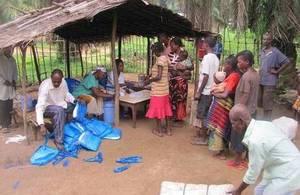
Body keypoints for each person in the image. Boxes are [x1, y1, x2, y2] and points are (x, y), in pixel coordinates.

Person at [227, 104, 300, 195]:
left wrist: (238, 191)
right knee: (259, 191)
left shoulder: (256, 140)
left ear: (241, 122)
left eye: (233, 123)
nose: (233, 127)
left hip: (290, 171)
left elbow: (253, 171)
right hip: (279, 166)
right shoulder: (263, 124)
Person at [229, 50, 259, 169]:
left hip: (244, 112)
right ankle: (246, 159)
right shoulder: (255, 74)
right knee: (248, 136)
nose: (237, 63)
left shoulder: (246, 77)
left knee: (239, 135)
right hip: (252, 110)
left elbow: (245, 95)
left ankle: (237, 161)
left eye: (240, 61)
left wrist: (238, 112)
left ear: (247, 62)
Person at [206, 55, 241, 159]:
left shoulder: (234, 76)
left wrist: (214, 94)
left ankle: (221, 153)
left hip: (223, 106)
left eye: (226, 64)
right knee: (219, 128)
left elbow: (225, 94)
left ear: (230, 65)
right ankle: (221, 150)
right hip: (222, 105)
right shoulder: (232, 75)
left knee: (219, 128)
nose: (224, 66)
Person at [36, 69, 75, 150]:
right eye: (54, 82)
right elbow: (40, 106)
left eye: (59, 82)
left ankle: (67, 126)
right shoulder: (45, 86)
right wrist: (41, 124)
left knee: (73, 105)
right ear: (51, 78)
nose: (56, 84)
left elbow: (66, 94)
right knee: (59, 111)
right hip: (48, 107)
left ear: (62, 79)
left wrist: (74, 100)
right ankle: (58, 141)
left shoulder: (63, 82)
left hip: (60, 104)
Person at [192, 37, 219, 145]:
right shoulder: (216, 58)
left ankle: (203, 138)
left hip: (205, 91)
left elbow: (206, 76)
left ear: (207, 45)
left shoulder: (207, 58)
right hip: (211, 90)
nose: (202, 45)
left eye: (203, 43)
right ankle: (205, 136)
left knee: (202, 115)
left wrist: (199, 91)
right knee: (207, 114)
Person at [259, 32, 290, 121]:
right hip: (261, 80)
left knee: (267, 102)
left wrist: (277, 72)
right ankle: (265, 120)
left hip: (270, 81)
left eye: (267, 39)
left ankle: (267, 121)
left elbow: (286, 62)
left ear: (271, 40)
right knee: (263, 102)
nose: (265, 41)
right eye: (264, 39)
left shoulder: (275, 51)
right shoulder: (262, 50)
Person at [145, 42, 172, 137]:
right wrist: (150, 75)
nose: (153, 53)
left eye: (154, 51)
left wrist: (149, 80)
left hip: (157, 91)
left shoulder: (160, 59)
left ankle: (159, 131)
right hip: (164, 89)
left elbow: (159, 76)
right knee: (166, 110)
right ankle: (168, 130)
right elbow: (164, 71)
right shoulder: (165, 58)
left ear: (157, 50)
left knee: (157, 111)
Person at [168, 37, 190, 123]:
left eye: (172, 45)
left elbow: (191, 66)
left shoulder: (184, 54)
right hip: (172, 81)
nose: (171, 47)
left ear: (177, 45)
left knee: (180, 99)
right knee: (173, 98)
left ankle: (179, 117)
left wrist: (183, 67)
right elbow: (168, 65)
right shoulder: (170, 54)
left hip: (181, 81)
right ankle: (173, 115)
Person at [0, 46, 18, 133]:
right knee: (3, 104)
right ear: (3, 49)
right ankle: (3, 125)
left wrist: (14, 80)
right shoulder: (0, 59)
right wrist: (3, 81)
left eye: (10, 49)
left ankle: (9, 122)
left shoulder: (12, 59)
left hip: (10, 84)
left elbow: (15, 71)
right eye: (7, 48)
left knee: (10, 103)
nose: (9, 50)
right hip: (2, 85)